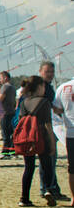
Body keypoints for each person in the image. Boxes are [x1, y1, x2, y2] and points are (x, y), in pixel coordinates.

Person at [16, 76, 57, 208]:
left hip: (27, 139)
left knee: (28, 168)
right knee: (46, 165)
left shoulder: (24, 102)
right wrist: (52, 143)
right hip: (42, 138)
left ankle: (24, 198)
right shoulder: (44, 102)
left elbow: (21, 121)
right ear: (39, 87)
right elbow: (47, 125)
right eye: (43, 86)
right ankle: (47, 189)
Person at [37, 61, 64, 199]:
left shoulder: (48, 86)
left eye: (52, 72)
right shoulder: (40, 86)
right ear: (41, 71)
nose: (50, 74)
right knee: (48, 157)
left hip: (49, 124)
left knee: (51, 157)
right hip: (44, 126)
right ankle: (47, 188)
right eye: (47, 72)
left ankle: (52, 187)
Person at [54, 74, 74, 208]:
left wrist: (66, 114)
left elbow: (56, 108)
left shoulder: (63, 87)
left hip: (71, 131)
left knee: (72, 168)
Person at [0, 71, 17, 158]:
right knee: (10, 133)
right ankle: (12, 151)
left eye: (0, 78)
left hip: (5, 112)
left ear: (5, 78)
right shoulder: (12, 87)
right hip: (11, 112)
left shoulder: (5, 87)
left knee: (5, 134)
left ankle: (5, 152)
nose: (0, 80)